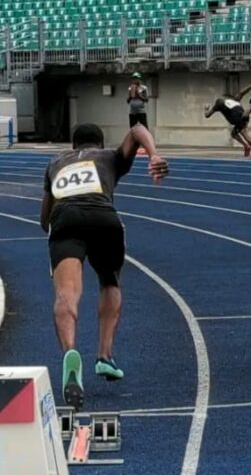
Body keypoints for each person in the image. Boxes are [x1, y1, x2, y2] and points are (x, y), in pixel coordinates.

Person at [40, 123, 169, 410]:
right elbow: (137, 130)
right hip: (103, 218)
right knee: (109, 282)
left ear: (74, 146)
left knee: (65, 294)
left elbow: (43, 219)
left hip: (65, 219)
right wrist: (154, 156)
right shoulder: (109, 157)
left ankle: (70, 352)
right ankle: (104, 356)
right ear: (99, 143)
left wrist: (60, 227)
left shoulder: (55, 163)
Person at [204, 79, 251, 162]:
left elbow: (207, 115)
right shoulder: (234, 99)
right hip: (245, 115)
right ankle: (247, 146)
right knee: (238, 133)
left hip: (237, 118)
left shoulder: (218, 103)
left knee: (242, 134)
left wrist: (206, 109)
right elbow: (242, 93)